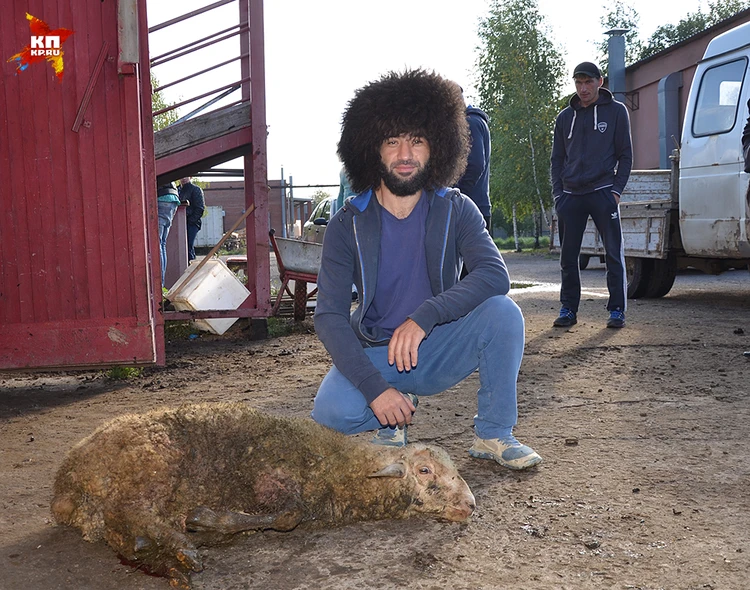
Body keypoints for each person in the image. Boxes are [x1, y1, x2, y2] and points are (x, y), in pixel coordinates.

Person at [310, 69, 542, 471]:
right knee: (330, 411)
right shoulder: (346, 223)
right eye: (392, 141)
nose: (405, 154)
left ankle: (493, 432)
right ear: (371, 149)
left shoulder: (456, 208)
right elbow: (329, 315)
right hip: (378, 352)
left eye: (417, 140)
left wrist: (425, 315)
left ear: (437, 147)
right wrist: (375, 389)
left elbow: (494, 275)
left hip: (438, 347)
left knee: (504, 312)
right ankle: (394, 406)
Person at [550, 61, 633, 329]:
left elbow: (626, 155)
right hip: (571, 195)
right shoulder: (564, 118)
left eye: (588, 82)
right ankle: (568, 309)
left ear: (600, 81)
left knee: (612, 253)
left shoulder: (617, 112)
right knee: (568, 257)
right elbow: (557, 160)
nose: (583, 88)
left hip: (602, 193)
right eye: (578, 83)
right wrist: (558, 196)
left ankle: (617, 310)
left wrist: (616, 192)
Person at [456, 101, 492, 233]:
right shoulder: (476, 122)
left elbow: (475, 165)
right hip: (476, 204)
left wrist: (458, 195)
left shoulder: (471, 123)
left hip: (471, 207)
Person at [156, 182, 180, 287]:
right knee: (162, 243)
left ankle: (159, 284)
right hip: (173, 199)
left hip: (162, 197)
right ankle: (161, 283)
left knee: (158, 243)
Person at [179, 176, 205, 262]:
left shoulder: (196, 190)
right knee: (181, 247)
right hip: (179, 222)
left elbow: (200, 208)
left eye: (186, 176)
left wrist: (190, 221)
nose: (183, 178)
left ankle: (191, 268)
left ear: (190, 177)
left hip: (192, 223)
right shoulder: (177, 190)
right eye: (182, 176)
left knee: (188, 245)